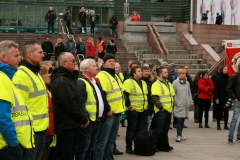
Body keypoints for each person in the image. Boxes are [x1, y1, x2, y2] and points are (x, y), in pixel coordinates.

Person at [13, 41, 49, 160]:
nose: (43, 55)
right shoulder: (21, 75)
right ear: (29, 54)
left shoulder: (36, 73)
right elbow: (17, 106)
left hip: (41, 130)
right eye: (39, 52)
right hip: (31, 132)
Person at [50, 52, 89, 159]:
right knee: (65, 155)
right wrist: (83, 119)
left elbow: (79, 101)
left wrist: (83, 117)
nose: (75, 62)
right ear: (64, 64)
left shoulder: (70, 78)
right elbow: (70, 105)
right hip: (66, 125)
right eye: (72, 61)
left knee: (70, 154)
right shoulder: (62, 81)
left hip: (72, 124)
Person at [0, 40, 34, 160]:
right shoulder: (2, 77)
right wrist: (14, 144)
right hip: (7, 146)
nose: (19, 59)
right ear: (4, 57)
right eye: (16, 56)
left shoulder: (9, 76)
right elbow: (2, 116)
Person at [75, 59, 110, 160]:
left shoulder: (94, 81)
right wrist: (85, 119)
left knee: (90, 148)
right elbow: (80, 104)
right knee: (83, 149)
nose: (97, 68)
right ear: (86, 69)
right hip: (88, 122)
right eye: (94, 66)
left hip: (96, 121)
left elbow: (101, 98)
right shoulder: (81, 82)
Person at [94, 53, 125, 160]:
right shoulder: (102, 75)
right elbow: (102, 95)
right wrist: (107, 110)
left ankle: (108, 158)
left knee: (111, 140)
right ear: (104, 63)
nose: (112, 63)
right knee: (102, 141)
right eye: (109, 61)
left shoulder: (115, 75)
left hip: (117, 112)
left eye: (113, 61)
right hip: (109, 114)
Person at [123, 66, 148, 154]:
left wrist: (146, 105)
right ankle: (128, 147)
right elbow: (125, 95)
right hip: (133, 110)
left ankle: (138, 146)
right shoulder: (128, 82)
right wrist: (129, 107)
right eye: (139, 71)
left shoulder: (143, 82)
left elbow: (145, 95)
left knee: (139, 130)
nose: (141, 72)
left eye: (141, 71)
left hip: (142, 110)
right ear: (134, 73)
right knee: (131, 129)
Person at [151, 67, 175, 152]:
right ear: (160, 74)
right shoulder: (156, 84)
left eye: (167, 72)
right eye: (165, 72)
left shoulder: (168, 83)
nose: (167, 73)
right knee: (158, 128)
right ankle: (153, 145)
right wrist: (161, 107)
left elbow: (172, 96)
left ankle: (164, 145)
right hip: (161, 110)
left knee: (165, 129)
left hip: (168, 109)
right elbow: (155, 98)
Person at [40, 62, 55, 160]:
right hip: (44, 131)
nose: (49, 75)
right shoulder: (42, 92)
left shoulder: (48, 90)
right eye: (45, 73)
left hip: (50, 131)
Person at [172, 69, 192, 142]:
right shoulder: (175, 83)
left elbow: (189, 93)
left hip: (185, 105)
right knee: (179, 121)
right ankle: (178, 135)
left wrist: (189, 101)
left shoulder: (187, 83)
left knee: (183, 120)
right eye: (182, 74)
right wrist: (176, 102)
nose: (184, 75)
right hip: (178, 105)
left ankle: (181, 134)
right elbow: (173, 93)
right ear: (179, 75)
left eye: (185, 74)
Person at [226, 63, 240, 144]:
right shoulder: (235, 76)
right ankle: (230, 137)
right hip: (238, 101)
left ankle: (239, 136)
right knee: (235, 119)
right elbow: (229, 88)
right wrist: (234, 97)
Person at [214, 66, 229, 130]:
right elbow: (216, 89)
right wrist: (216, 98)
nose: (226, 70)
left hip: (226, 97)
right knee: (219, 112)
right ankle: (218, 125)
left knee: (226, 112)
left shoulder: (229, 78)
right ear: (222, 70)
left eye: (227, 69)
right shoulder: (218, 78)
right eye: (225, 69)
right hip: (219, 97)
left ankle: (225, 125)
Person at [141, 66, 154, 131]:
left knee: (147, 122)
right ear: (142, 72)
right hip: (141, 106)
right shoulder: (140, 81)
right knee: (141, 123)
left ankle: (145, 137)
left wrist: (150, 105)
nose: (147, 73)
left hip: (149, 106)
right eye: (145, 71)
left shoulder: (151, 82)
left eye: (148, 71)